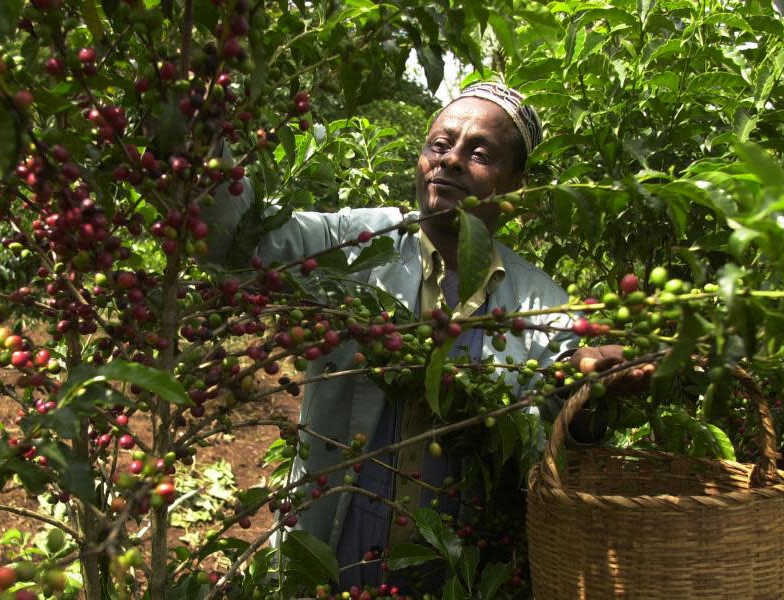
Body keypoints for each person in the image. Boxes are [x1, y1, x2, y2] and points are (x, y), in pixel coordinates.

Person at [203, 82, 628, 589]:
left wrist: (593, 389)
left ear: (516, 185)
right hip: (323, 561)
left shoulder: (544, 305)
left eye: (479, 153)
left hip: (452, 577)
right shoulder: (360, 245)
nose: (449, 162)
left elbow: (560, 431)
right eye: (440, 145)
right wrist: (202, 135)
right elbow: (239, 240)